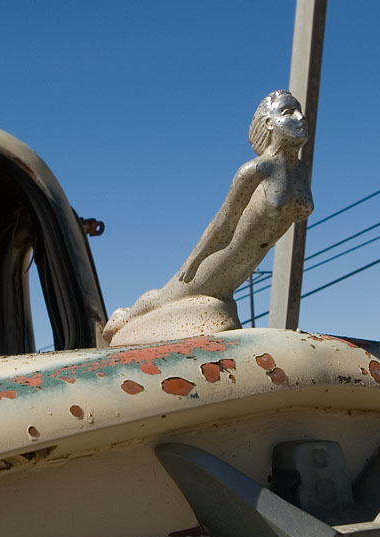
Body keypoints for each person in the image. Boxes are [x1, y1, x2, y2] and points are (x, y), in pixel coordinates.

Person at [103, 90, 314, 346]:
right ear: (270, 124)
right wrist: (192, 263)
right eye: (288, 112)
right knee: (167, 298)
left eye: (300, 111)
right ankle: (124, 318)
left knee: (203, 303)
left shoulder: (302, 172)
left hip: (246, 266)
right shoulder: (255, 171)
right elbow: (222, 223)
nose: (301, 117)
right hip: (219, 259)